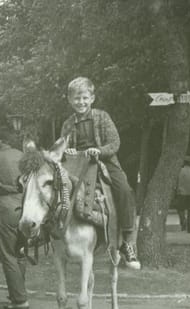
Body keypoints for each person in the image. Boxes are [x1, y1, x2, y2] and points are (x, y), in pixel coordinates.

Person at [60, 77, 140, 269]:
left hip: (103, 162)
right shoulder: (68, 124)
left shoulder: (102, 117)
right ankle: (48, 233)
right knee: (54, 187)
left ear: (92, 98)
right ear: (70, 100)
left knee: (125, 190)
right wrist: (67, 151)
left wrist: (99, 150)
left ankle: (128, 243)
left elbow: (115, 143)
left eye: (84, 98)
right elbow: (62, 144)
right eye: (76, 98)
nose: (81, 102)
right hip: (77, 165)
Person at [0, 127, 29, 309]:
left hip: (5, 207)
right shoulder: (22, 156)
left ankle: (19, 300)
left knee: (7, 255)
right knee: (20, 252)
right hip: (25, 206)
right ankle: (18, 292)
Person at [175, 155, 190, 233]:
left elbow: (175, 182)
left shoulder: (178, 171)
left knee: (180, 209)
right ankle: (189, 228)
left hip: (181, 193)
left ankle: (183, 221)